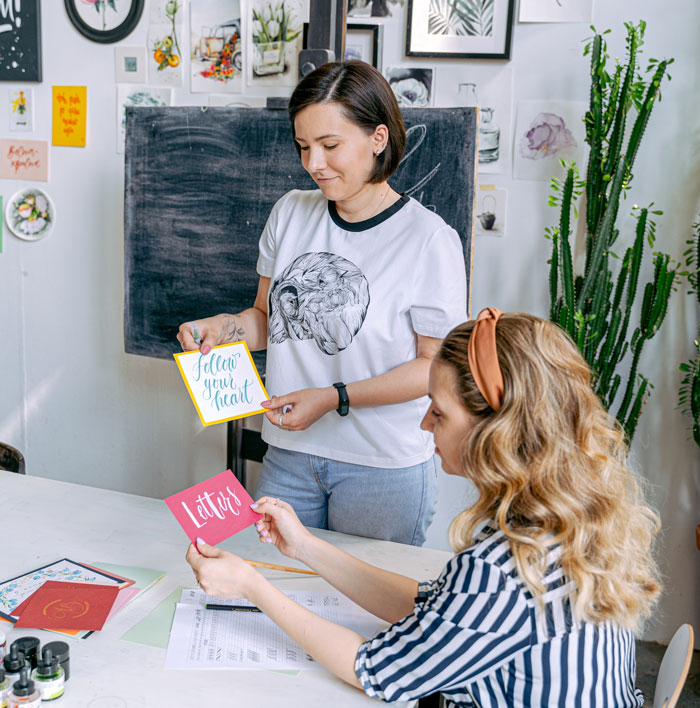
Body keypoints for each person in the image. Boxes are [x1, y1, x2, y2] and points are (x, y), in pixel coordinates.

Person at [187, 310, 662, 707]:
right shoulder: (566, 520)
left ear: (493, 431)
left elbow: (375, 671)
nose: (424, 423)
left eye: (438, 412)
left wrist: (251, 584)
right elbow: (435, 607)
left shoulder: (501, 569)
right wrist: (308, 548)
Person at [178, 60, 467, 546]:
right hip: (289, 453)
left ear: (378, 138)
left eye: (330, 146)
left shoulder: (429, 239)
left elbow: (435, 366)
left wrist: (335, 398)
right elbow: (268, 320)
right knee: (276, 592)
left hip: (381, 467)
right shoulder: (291, 212)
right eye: (303, 146)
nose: (314, 163)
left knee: (368, 612)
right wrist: (224, 327)